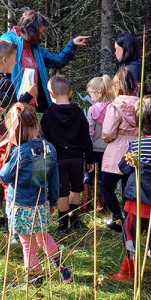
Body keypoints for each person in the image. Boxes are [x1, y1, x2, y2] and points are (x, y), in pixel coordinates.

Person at [109, 96, 151, 300]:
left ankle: (128, 272)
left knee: (130, 238)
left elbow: (123, 167)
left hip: (136, 205)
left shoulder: (136, 145)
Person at [0, 103, 71, 287]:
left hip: (22, 206)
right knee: (43, 237)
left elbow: (5, 177)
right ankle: (62, 268)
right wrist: (52, 201)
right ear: (37, 126)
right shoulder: (50, 149)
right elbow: (55, 180)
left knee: (28, 244)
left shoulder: (19, 152)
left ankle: (34, 279)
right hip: (41, 204)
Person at [0, 39, 37, 229]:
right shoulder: (6, 83)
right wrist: (28, 96)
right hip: (4, 138)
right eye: (14, 60)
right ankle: (8, 220)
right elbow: (13, 112)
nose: (16, 64)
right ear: (4, 60)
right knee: (7, 176)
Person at [0, 10, 89, 112]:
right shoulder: (8, 41)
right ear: (31, 30)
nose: (40, 37)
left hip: (31, 109)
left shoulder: (35, 49)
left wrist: (72, 44)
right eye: (39, 33)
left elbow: (57, 61)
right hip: (13, 107)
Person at [40, 74, 95, 234]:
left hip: (58, 159)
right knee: (76, 189)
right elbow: (86, 137)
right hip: (77, 157)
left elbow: (45, 139)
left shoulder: (48, 115)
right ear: (70, 92)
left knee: (62, 191)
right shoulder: (78, 113)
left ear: (51, 94)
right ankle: (75, 220)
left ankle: (63, 224)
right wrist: (90, 158)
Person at [100, 68, 140, 232]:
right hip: (136, 149)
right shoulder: (141, 104)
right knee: (128, 188)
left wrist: (108, 138)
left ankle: (117, 219)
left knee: (106, 186)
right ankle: (129, 221)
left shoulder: (114, 106)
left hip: (117, 151)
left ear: (116, 87)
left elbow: (108, 132)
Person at [83, 75, 114, 213]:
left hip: (93, 148)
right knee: (104, 177)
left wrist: (86, 147)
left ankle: (86, 205)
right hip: (108, 148)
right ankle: (103, 205)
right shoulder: (113, 107)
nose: (90, 98)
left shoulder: (92, 109)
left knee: (88, 176)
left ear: (97, 92)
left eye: (90, 94)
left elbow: (90, 130)